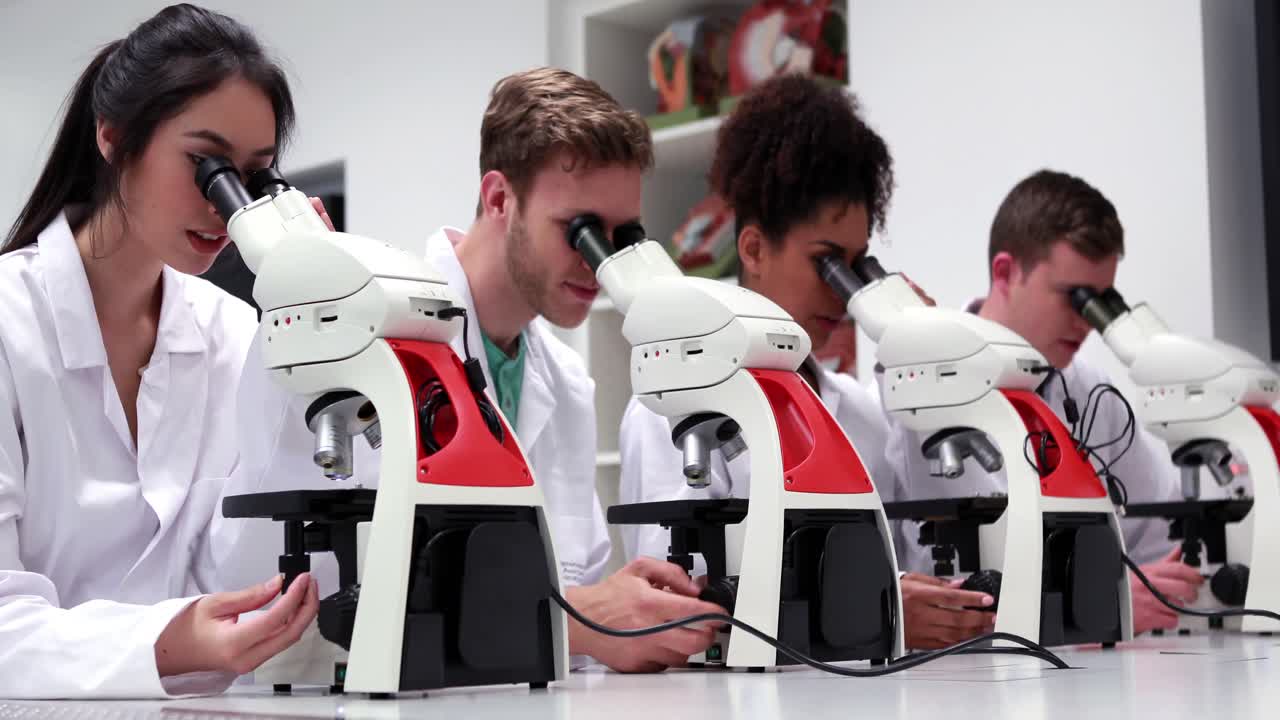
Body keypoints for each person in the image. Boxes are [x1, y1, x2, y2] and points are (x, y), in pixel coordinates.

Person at [234, 67, 725, 674]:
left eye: (620, 237)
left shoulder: (567, 386)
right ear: (499, 198)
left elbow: (576, 618)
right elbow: (302, 618)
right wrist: (585, 621)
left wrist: (637, 616)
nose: (599, 264)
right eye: (580, 230)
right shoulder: (356, 341)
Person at [0, 4, 326, 699]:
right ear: (114, 137)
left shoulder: (235, 333)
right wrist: (165, 640)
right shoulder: (7, 322)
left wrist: (311, 347)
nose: (228, 206)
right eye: (206, 165)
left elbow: (249, 575)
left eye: (255, 176)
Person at [617, 73, 997, 651]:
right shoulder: (673, 409)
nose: (844, 292)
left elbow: (931, 563)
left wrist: (928, 386)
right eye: (826, 262)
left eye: (858, 265)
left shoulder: (863, 413)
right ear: (753, 248)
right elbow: (672, 611)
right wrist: (876, 612)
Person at [882, 169, 1200, 636]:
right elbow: (905, 588)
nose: (1086, 321)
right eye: (1072, 296)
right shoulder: (910, 389)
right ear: (1006, 273)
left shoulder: (1091, 393)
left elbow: (1160, 533)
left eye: (1099, 300)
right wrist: (1094, 598)